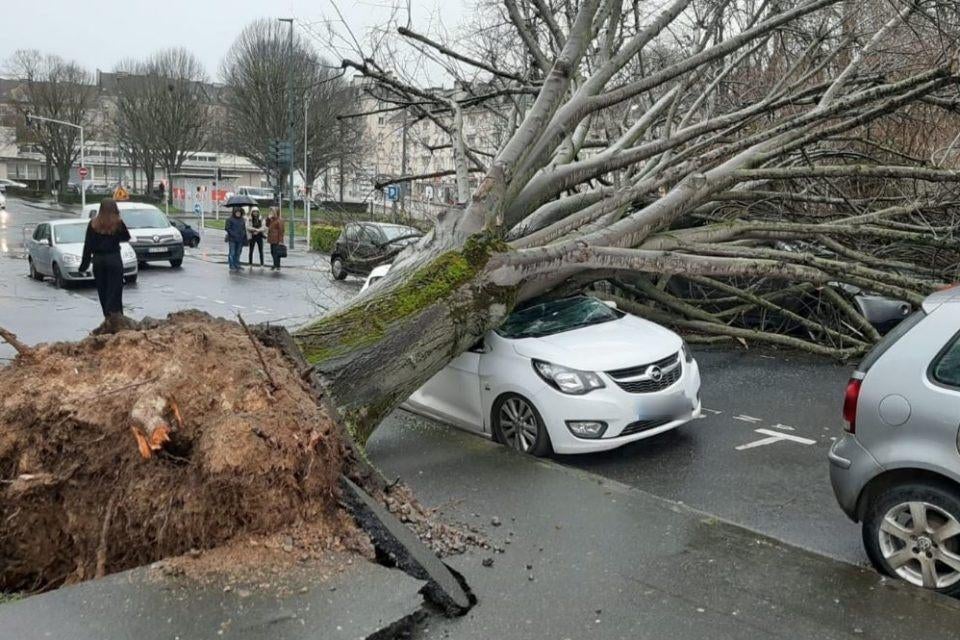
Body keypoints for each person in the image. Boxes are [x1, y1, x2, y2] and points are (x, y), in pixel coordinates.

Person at [79, 198, 131, 321]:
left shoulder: (93, 224)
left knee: (103, 290)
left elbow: (88, 246)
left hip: (98, 261)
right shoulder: (118, 223)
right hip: (114, 259)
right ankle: (116, 317)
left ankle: (107, 316)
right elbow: (126, 237)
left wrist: (84, 265)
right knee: (115, 290)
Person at [225, 207, 247, 272]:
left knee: (238, 252)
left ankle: (237, 264)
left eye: (239, 212)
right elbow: (227, 228)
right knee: (232, 252)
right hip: (232, 239)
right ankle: (231, 265)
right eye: (237, 212)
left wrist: (243, 234)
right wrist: (234, 234)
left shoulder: (242, 219)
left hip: (240, 239)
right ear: (234, 213)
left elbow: (243, 228)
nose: (238, 214)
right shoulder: (229, 219)